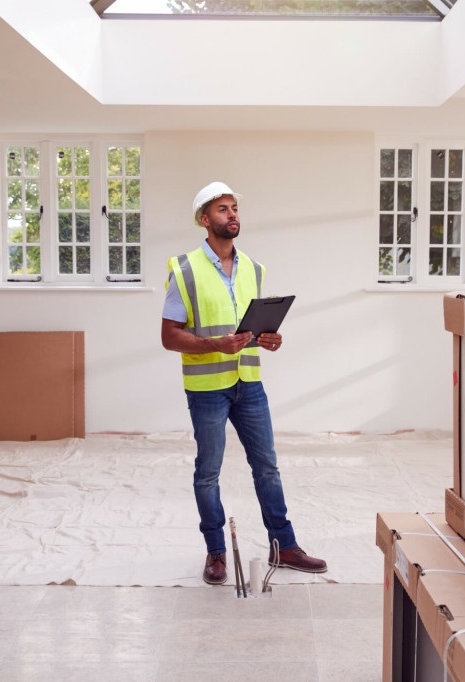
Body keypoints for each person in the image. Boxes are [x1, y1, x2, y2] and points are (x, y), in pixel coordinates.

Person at [161, 181, 327, 585]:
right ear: (205, 219)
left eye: (235, 208)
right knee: (208, 472)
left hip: (249, 383)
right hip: (207, 389)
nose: (232, 215)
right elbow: (169, 335)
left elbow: (251, 329)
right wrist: (213, 344)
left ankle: (283, 546)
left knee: (267, 467)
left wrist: (269, 338)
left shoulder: (255, 269)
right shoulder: (184, 270)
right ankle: (216, 552)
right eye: (222, 209)